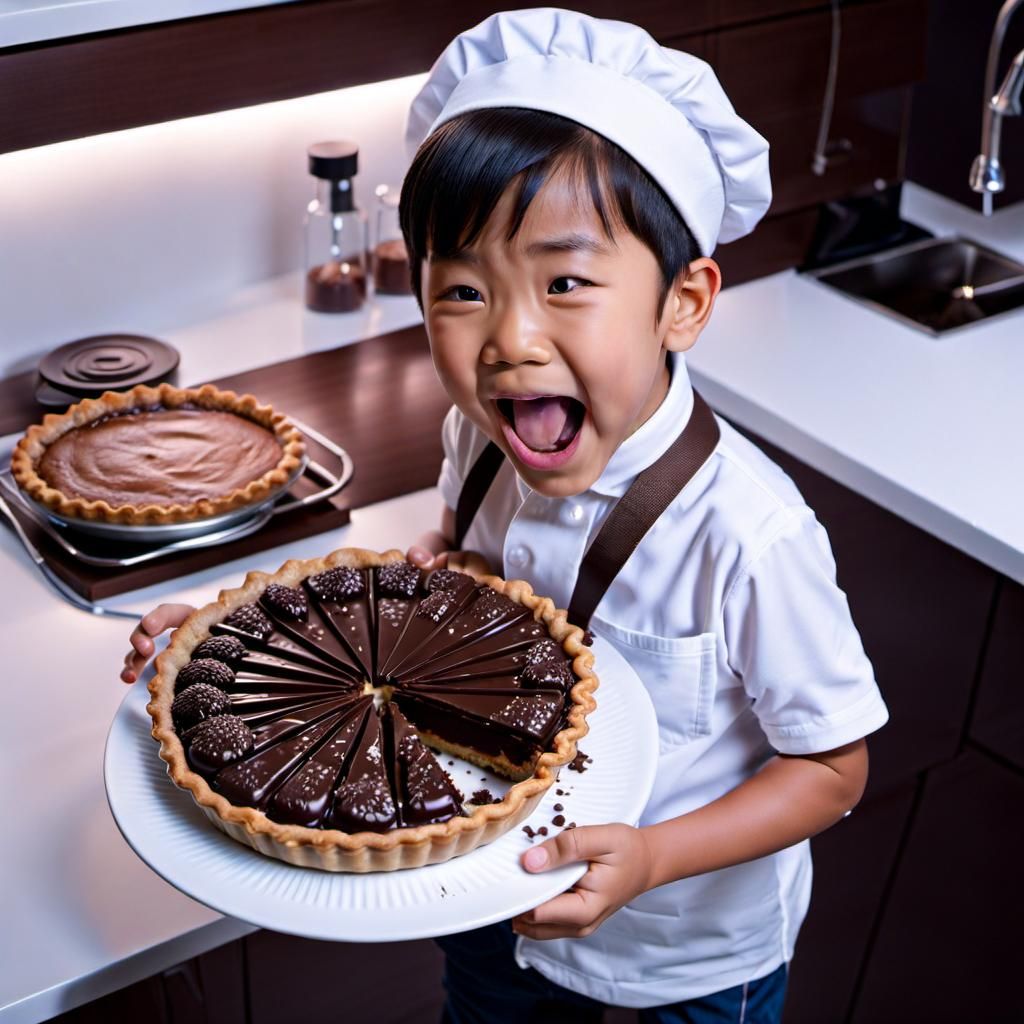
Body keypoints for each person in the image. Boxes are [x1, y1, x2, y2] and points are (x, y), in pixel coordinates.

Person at [122, 9, 889, 1022]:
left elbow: (831, 768)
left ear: (684, 302)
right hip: (494, 906)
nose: (510, 340)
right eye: (463, 289)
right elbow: (445, 575)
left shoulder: (749, 534)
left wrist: (652, 856)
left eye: (565, 281)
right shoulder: (475, 439)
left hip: (681, 965)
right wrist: (245, 645)